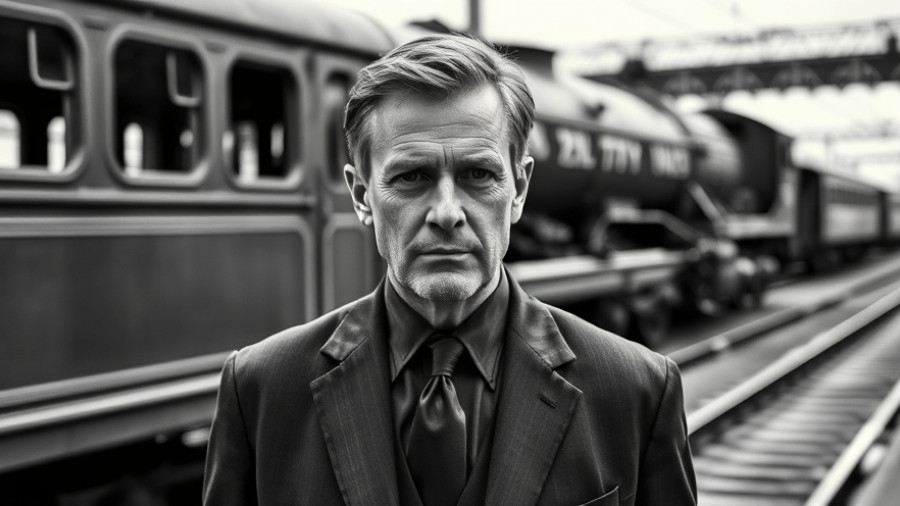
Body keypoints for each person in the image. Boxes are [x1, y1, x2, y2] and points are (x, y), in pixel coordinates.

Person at [203, 34, 696, 506]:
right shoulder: (260, 391)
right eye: (412, 176)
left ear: (519, 188)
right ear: (361, 195)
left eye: (477, 175)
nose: (445, 211)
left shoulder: (638, 393)